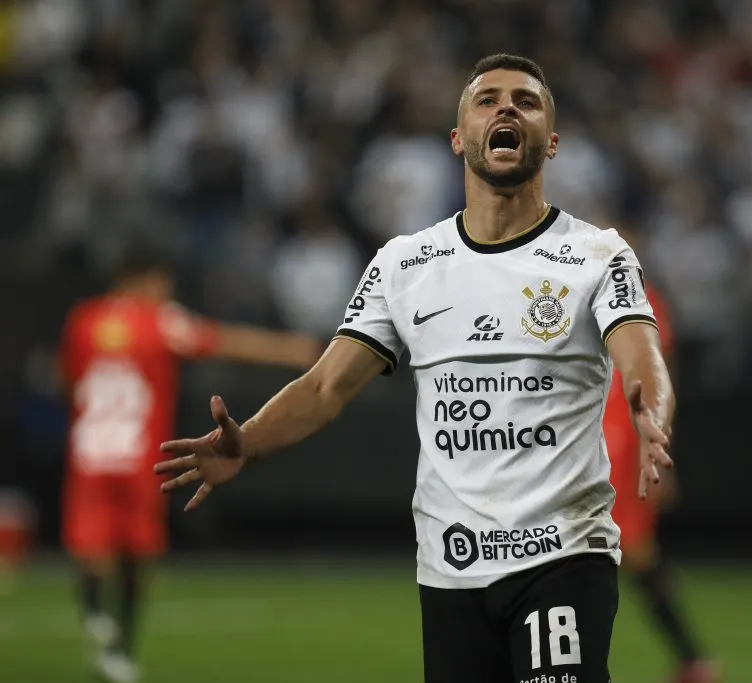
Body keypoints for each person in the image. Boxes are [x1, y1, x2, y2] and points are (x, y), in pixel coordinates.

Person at [157, 54, 675, 683]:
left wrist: (651, 411)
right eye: (487, 100)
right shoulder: (406, 264)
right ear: (458, 139)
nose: (506, 108)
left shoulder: (596, 254)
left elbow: (640, 350)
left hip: (563, 553)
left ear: (553, 142)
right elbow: (324, 386)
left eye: (526, 101)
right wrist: (251, 441)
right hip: (451, 567)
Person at [59, 246, 323, 683]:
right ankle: (121, 648)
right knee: (137, 555)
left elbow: (68, 381)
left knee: (90, 546)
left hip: (91, 454)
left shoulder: (85, 320)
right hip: (140, 456)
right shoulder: (159, 321)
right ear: (143, 279)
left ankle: (94, 616)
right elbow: (224, 341)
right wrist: (296, 350)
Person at [603, 229, 720, 683]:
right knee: (626, 555)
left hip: (621, 445)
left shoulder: (644, 301)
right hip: (587, 440)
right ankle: (694, 659)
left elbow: (658, 381)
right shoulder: (570, 297)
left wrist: (659, 449)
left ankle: (694, 658)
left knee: (632, 553)